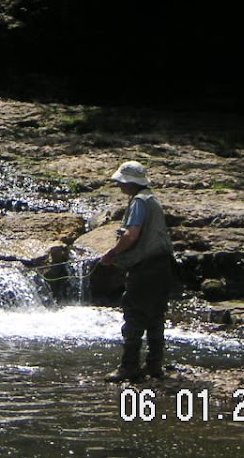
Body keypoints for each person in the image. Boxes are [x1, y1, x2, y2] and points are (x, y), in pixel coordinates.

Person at [100, 161, 175, 382]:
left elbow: (131, 234)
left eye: (120, 181)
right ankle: (154, 365)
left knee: (134, 314)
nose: (118, 185)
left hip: (145, 268)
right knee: (155, 316)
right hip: (163, 266)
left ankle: (129, 367)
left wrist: (112, 253)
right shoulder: (152, 199)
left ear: (129, 182)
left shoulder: (139, 202)